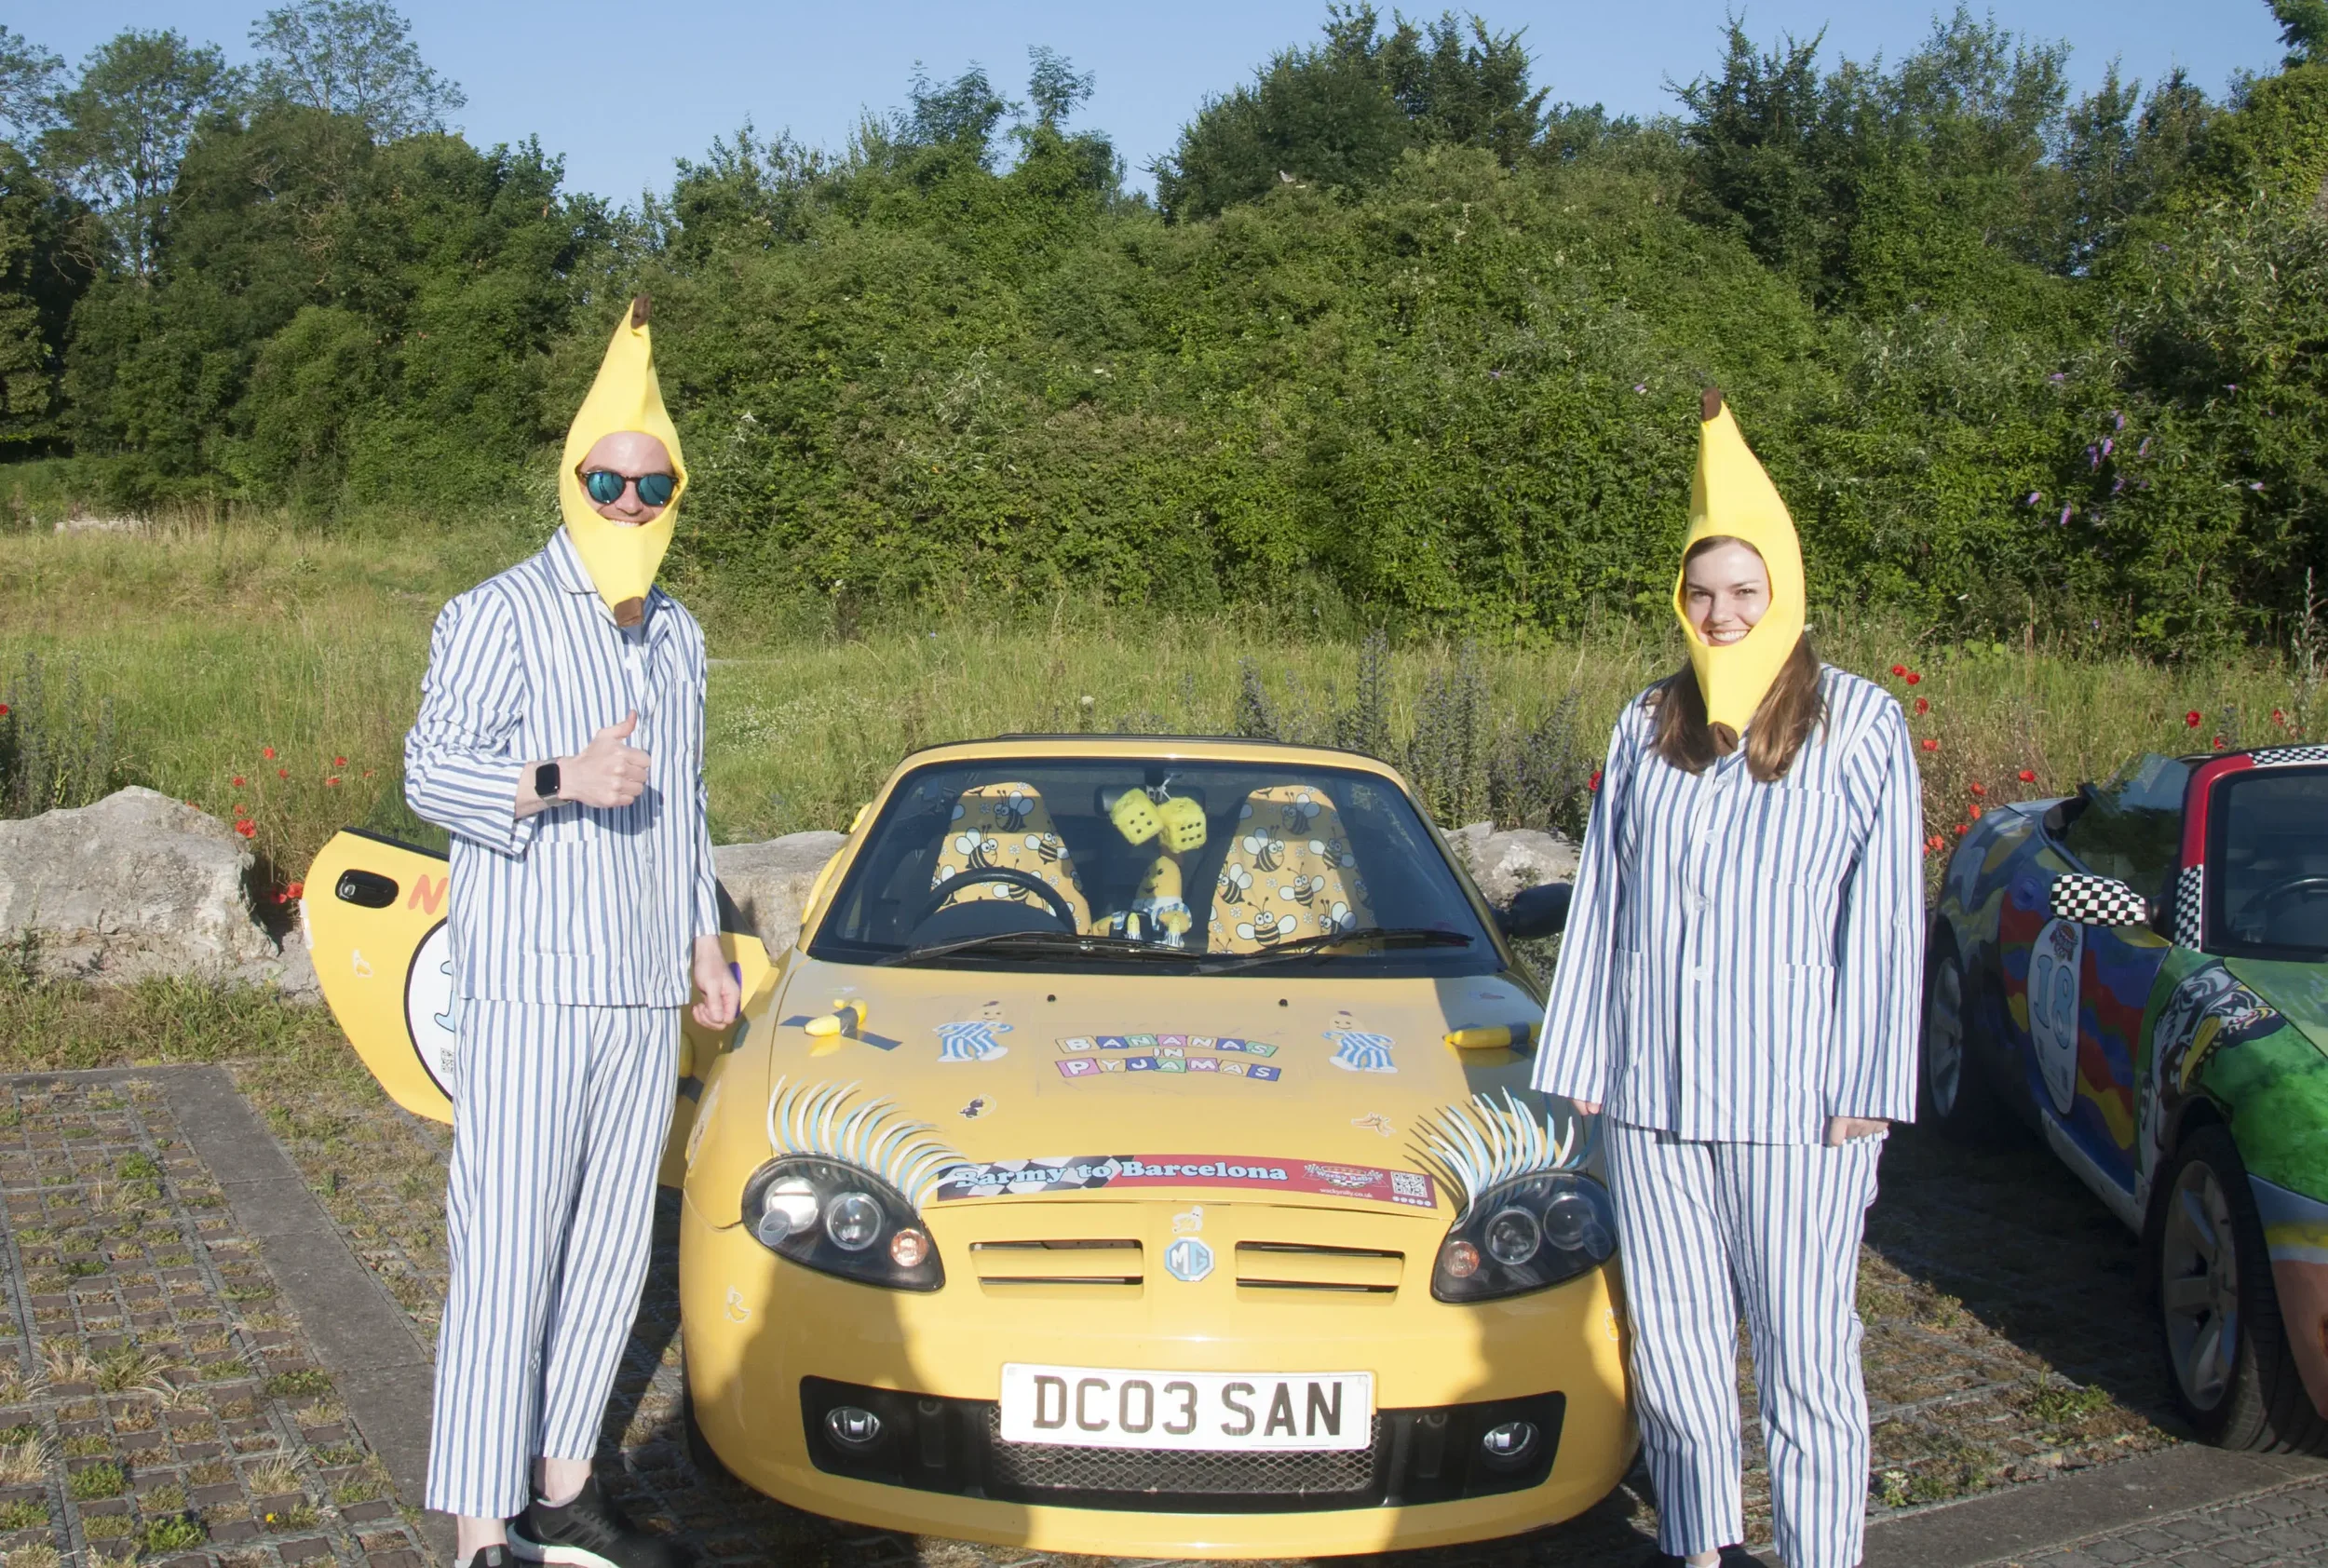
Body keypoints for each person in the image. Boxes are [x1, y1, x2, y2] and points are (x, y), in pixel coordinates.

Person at [1534, 389, 1922, 1568]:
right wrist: (1586, 1065)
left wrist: (1866, 1082)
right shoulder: (1643, 721)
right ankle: (1697, 1547)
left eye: (1744, 591)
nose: (1722, 612)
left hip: (1799, 1100)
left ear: (1784, 593)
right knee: (1682, 1357)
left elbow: (1889, 916)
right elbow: (1603, 898)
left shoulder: (1858, 723)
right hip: (1652, 1096)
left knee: (1805, 1357)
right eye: (1702, 592)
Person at [403, 295, 740, 1568]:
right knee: (507, 1257)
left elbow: (689, 801)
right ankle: (483, 1530)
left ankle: (564, 1492)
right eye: (604, 480)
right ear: (569, 479)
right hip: (534, 989)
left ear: (675, 494)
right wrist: (553, 779)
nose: (625, 504)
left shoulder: (682, 635)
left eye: (648, 486)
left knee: (609, 1253)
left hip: (646, 989)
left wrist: (704, 945)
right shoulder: (495, 613)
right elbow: (432, 771)